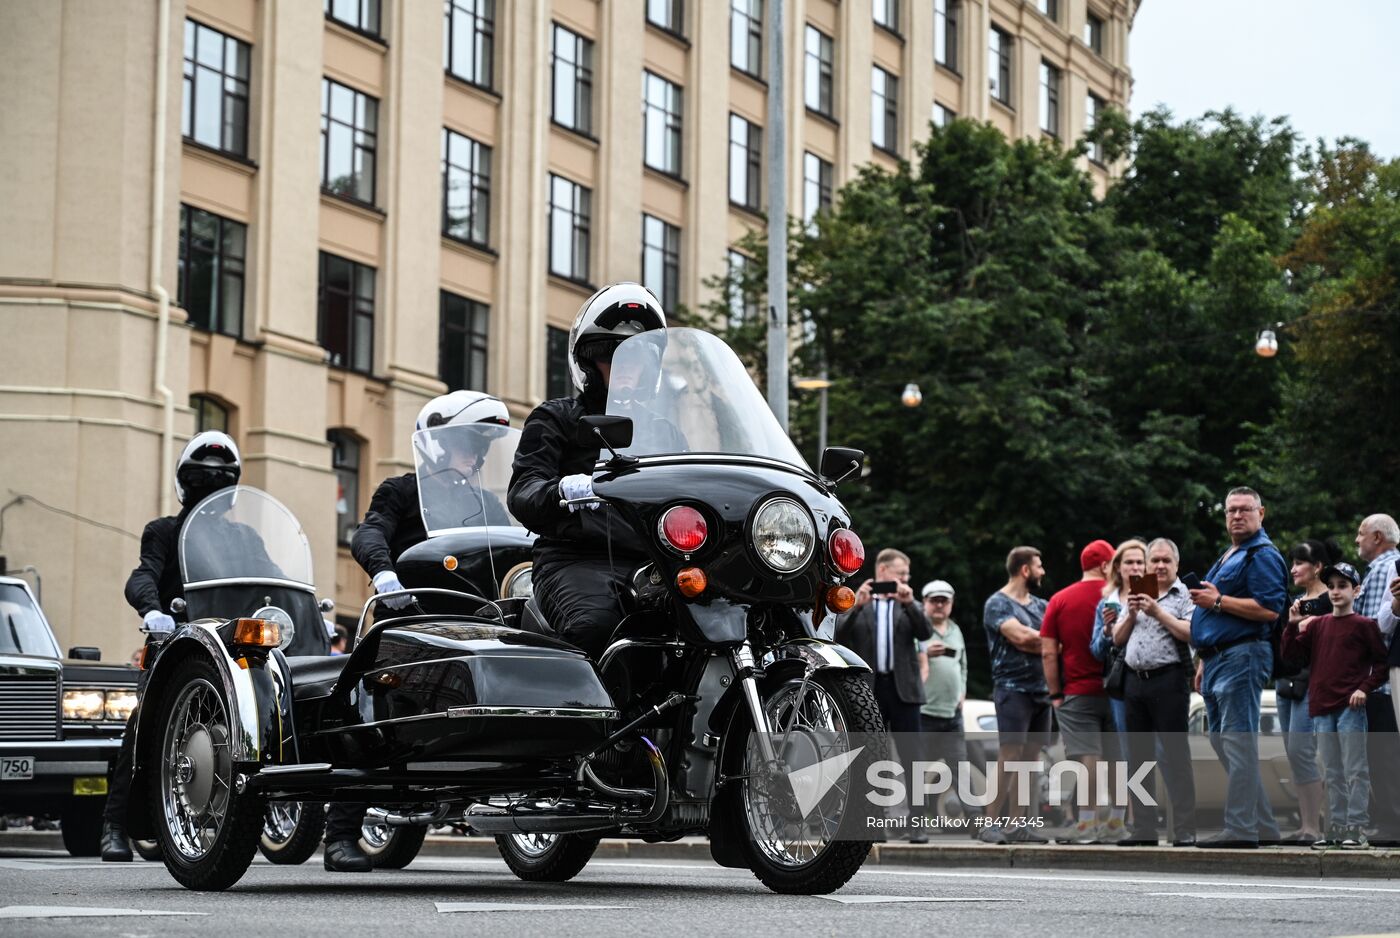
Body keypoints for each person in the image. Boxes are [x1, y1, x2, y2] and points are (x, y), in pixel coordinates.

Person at [327, 390, 512, 874]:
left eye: (481, 446)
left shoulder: (486, 503)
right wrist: (385, 574)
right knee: (371, 718)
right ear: (435, 444)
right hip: (409, 618)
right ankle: (341, 835)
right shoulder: (403, 490)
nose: (476, 455)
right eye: (468, 443)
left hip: (475, 626)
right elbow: (368, 532)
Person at [508, 283, 667, 659]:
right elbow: (524, 490)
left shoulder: (666, 430)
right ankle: (576, 716)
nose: (627, 368)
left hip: (652, 564)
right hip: (575, 558)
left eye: (637, 358)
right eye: (614, 357)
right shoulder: (556, 417)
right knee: (594, 626)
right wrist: (565, 489)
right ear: (590, 363)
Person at [104, 431, 243, 862]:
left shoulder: (244, 540)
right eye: (203, 479)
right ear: (186, 482)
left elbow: (272, 577)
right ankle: (113, 826)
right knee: (142, 725)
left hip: (233, 651)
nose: (211, 489)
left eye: (221, 481)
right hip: (178, 643)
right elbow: (143, 575)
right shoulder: (164, 531)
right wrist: (153, 610)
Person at [1189, 486, 1287, 848]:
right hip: (1217, 658)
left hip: (1243, 656)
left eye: (1245, 509)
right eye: (1231, 510)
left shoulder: (1262, 555)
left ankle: (1242, 828)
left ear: (1262, 513)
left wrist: (1217, 601)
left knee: (1238, 742)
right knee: (1222, 740)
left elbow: (1270, 609)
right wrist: (1203, 657)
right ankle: (1264, 825)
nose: (1237, 516)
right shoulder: (1231, 553)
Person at [1281, 562, 1388, 850]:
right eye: (1332, 586)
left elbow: (1382, 665)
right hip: (1321, 707)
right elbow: (1292, 656)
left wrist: (1364, 688)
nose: (1336, 591)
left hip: (1350, 708)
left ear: (1357, 590)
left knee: (1355, 769)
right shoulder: (1318, 625)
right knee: (1332, 771)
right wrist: (1291, 626)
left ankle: (1357, 827)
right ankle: (1337, 828)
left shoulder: (1365, 626)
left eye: (1343, 586)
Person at [837, 550, 933, 839]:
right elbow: (839, 635)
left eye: (906, 575)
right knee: (873, 757)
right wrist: (856, 605)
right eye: (900, 573)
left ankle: (917, 823)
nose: (904, 579)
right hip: (870, 691)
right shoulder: (861, 602)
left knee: (913, 757)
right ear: (882, 570)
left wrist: (911, 603)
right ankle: (874, 822)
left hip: (904, 691)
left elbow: (926, 632)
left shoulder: (907, 605)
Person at [1114, 537, 1197, 847]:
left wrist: (1158, 612)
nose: (1160, 566)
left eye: (1166, 561)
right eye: (1155, 561)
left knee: (1176, 756)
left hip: (1170, 679)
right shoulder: (1135, 592)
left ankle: (1185, 829)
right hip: (1135, 681)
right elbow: (1118, 639)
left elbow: (1192, 633)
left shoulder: (1184, 595)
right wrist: (1134, 613)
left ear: (1176, 565)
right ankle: (1144, 829)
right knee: (1138, 758)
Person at [1041, 538, 1121, 844]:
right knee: (1117, 758)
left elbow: (1048, 652)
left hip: (1077, 691)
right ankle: (1117, 822)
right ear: (1104, 566)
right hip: (1116, 691)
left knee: (1088, 757)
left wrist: (1055, 694)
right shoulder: (1118, 597)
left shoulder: (1060, 600)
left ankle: (1087, 824)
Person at [979, 546, 1051, 845]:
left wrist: (1043, 642)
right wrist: (1045, 642)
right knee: (1010, 755)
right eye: (1039, 566)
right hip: (1012, 690)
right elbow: (1022, 638)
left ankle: (1018, 824)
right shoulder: (997, 604)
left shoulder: (1042, 606)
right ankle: (989, 824)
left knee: (1031, 760)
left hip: (1042, 691)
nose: (1042, 571)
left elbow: (1046, 642)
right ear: (1024, 570)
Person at [1273, 539, 1339, 845]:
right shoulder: (1296, 603)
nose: (1293, 568)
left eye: (1300, 563)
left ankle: (1315, 826)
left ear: (1318, 568)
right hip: (1288, 682)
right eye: (1293, 562)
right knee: (1294, 753)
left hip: (1316, 682)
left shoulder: (1334, 599)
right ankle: (1306, 825)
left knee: (1303, 750)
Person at [1353, 514, 1400, 845]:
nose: (1357, 540)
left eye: (1361, 534)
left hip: (1379, 678)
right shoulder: (1382, 568)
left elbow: (1377, 625)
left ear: (1378, 537)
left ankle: (1391, 824)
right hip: (1381, 678)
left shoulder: (1387, 567)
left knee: (1384, 755)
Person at [916, 580, 968, 794]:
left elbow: (963, 666)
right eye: (934, 600)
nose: (939, 605)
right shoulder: (918, 628)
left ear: (951, 603)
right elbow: (905, 663)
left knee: (961, 769)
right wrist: (924, 652)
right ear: (924, 602)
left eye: (943, 601)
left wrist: (962, 691)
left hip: (952, 714)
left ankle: (975, 821)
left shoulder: (956, 630)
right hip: (924, 712)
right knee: (915, 770)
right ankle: (912, 821)